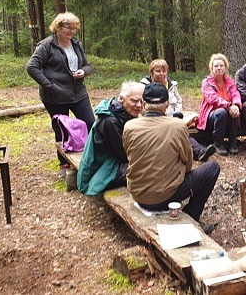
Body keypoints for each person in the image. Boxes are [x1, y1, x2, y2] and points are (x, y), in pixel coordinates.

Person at [123, 83, 220, 234]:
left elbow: (129, 155)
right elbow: (188, 164)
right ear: (167, 103)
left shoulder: (129, 126)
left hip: (137, 194)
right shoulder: (178, 126)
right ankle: (192, 217)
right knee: (212, 168)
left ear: (143, 103)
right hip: (165, 197)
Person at [26, 12, 95, 177]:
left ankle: (91, 157)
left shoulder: (77, 44)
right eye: (68, 28)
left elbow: (87, 65)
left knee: (90, 123)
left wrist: (83, 72)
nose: (71, 32)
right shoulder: (46, 45)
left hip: (78, 92)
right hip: (55, 96)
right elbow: (32, 67)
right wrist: (49, 85)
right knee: (62, 129)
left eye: (74, 28)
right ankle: (64, 163)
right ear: (58, 27)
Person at [77, 81, 144, 195]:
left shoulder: (121, 112)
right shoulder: (110, 121)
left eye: (142, 101)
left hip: (110, 161)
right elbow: (124, 155)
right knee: (146, 167)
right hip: (97, 173)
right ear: (121, 99)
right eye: (134, 100)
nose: (139, 105)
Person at [141, 58, 215, 162]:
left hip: (172, 117)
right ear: (152, 72)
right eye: (158, 71)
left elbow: (179, 100)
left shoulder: (172, 85)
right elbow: (141, 106)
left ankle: (199, 152)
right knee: (178, 131)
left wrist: (177, 112)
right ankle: (197, 151)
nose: (161, 74)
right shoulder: (144, 86)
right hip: (152, 119)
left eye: (164, 71)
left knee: (182, 128)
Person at [197, 53, 243, 156]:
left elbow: (236, 94)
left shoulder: (230, 82)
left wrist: (235, 105)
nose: (218, 68)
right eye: (216, 66)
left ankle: (232, 142)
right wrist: (228, 106)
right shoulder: (206, 83)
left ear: (225, 67)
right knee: (222, 111)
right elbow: (213, 99)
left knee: (233, 111)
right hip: (212, 117)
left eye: (221, 65)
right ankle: (218, 143)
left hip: (228, 114)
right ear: (211, 68)